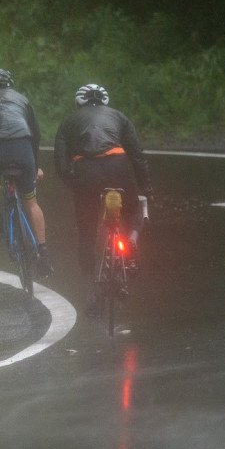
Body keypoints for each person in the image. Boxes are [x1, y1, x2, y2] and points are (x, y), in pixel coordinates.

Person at [53, 84, 152, 316]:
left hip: (86, 172)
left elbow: (60, 161)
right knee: (133, 211)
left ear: (79, 102)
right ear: (105, 101)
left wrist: (74, 184)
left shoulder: (69, 121)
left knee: (87, 234)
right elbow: (137, 155)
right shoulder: (119, 116)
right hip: (117, 167)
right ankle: (132, 241)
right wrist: (146, 187)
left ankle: (90, 288)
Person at [0, 68, 53, 278]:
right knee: (31, 202)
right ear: (8, 84)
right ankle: (43, 252)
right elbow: (36, 135)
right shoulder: (22, 100)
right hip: (22, 150)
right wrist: (35, 166)